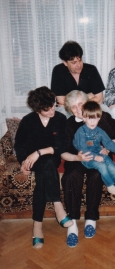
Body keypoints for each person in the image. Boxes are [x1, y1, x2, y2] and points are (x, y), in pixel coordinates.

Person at [61, 90, 115, 248]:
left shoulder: (102, 117)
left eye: (80, 103)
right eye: (74, 107)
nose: (78, 109)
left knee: (96, 176)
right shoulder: (68, 124)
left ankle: (91, 219)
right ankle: (72, 224)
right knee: (72, 176)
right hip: (77, 159)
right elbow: (63, 152)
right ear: (69, 110)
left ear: (87, 102)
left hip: (98, 157)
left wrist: (107, 150)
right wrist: (76, 157)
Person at [14, 86, 72, 249]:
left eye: (53, 105)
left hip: (51, 157)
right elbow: (19, 146)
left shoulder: (60, 119)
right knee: (43, 171)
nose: (52, 110)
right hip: (34, 161)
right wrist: (23, 164)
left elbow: (61, 145)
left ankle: (37, 227)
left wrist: (38, 153)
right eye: (47, 109)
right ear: (38, 109)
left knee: (46, 167)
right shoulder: (28, 120)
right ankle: (57, 205)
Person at [73, 100, 115, 206]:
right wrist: (95, 157)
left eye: (95, 118)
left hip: (98, 152)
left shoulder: (99, 130)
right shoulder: (81, 131)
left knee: (112, 166)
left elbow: (108, 143)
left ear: (99, 118)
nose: (92, 122)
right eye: (89, 118)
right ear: (84, 118)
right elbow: (83, 148)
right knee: (102, 166)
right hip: (86, 157)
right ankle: (110, 186)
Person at [51, 40, 109, 117]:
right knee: (62, 115)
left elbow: (99, 98)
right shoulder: (58, 71)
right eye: (74, 62)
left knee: (107, 112)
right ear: (65, 63)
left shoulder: (91, 69)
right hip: (68, 109)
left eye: (80, 60)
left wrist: (76, 102)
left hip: (90, 106)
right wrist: (88, 96)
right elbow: (61, 101)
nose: (78, 65)